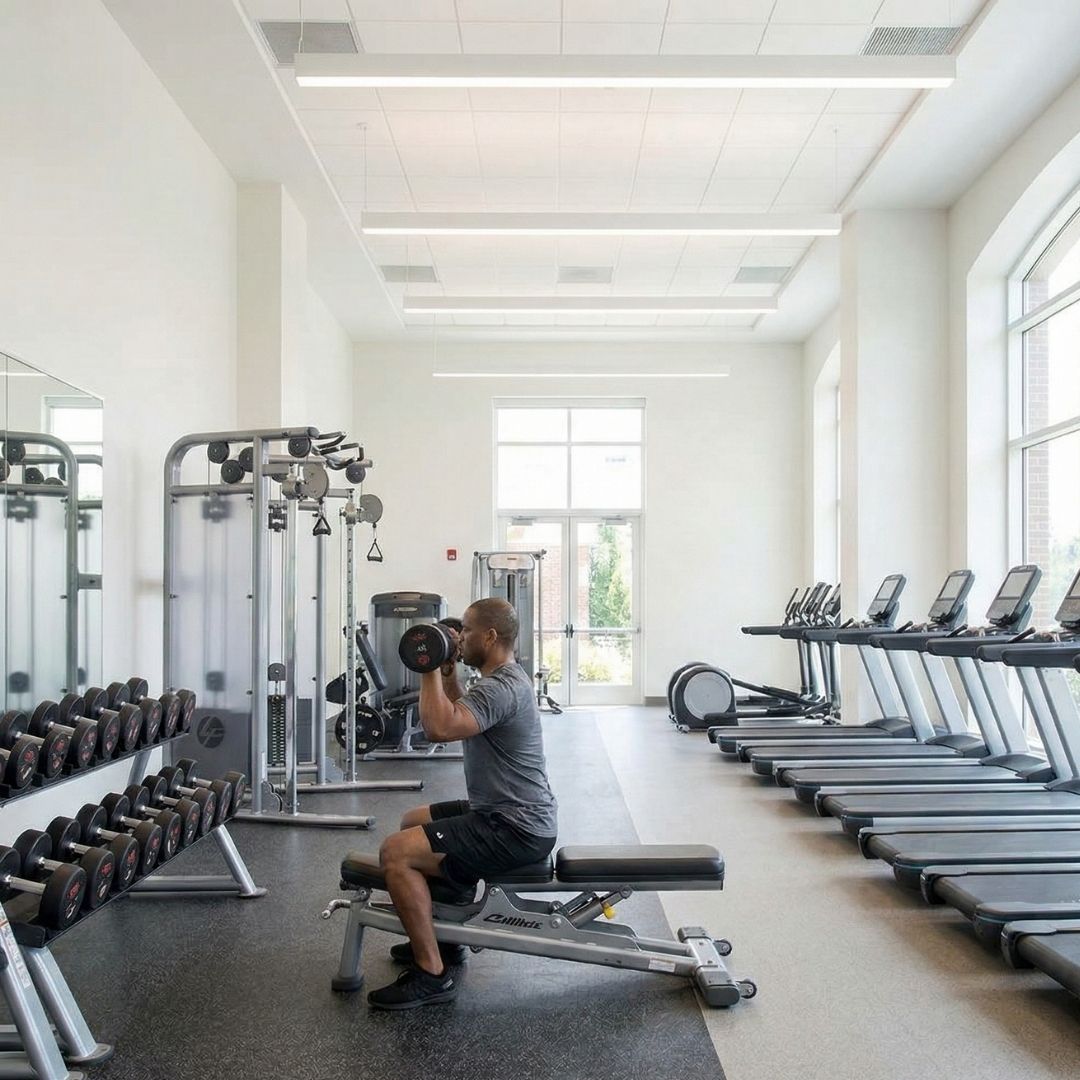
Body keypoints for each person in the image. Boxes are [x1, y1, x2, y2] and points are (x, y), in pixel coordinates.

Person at [367, 597, 559, 1011]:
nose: (460, 637)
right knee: (411, 820)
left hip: (514, 828)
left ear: (489, 637)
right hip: (506, 813)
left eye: (466, 632)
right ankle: (447, 937)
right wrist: (449, 670)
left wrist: (429, 664)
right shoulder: (499, 679)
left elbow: (440, 727)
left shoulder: (502, 686)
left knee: (395, 854)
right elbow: (458, 711)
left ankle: (431, 974)